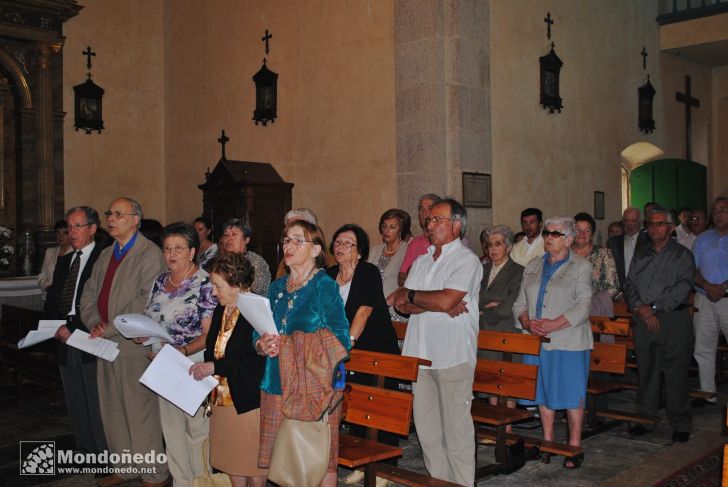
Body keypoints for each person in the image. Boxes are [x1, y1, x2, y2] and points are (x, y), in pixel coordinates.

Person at [389, 198, 481, 487]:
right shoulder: (421, 260)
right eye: (428, 220)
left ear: (456, 225)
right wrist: (434, 301)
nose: (429, 224)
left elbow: (439, 299)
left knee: (456, 433)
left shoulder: (466, 260)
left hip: (452, 355)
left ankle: (464, 483)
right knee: (428, 433)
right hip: (420, 354)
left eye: (437, 219)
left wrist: (418, 296)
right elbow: (401, 305)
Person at [81, 197, 169, 487]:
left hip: (133, 345)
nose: (111, 218)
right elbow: (89, 293)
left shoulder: (149, 253)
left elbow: (144, 299)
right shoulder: (107, 254)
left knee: (140, 410)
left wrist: (107, 328)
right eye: (109, 213)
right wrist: (94, 322)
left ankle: (154, 474)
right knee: (113, 408)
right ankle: (126, 466)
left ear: (135, 220)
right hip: (104, 343)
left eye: (119, 214)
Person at [255, 220, 350, 487]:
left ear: (316, 249)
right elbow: (259, 329)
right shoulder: (276, 288)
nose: (289, 245)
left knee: (319, 461)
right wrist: (261, 345)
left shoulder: (324, 286)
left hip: (314, 385)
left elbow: (341, 337)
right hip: (275, 382)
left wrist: (291, 344)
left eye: (299, 240)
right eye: (286, 240)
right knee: (284, 462)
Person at [513, 216, 592, 469]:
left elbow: (583, 305)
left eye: (555, 234)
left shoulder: (580, 266)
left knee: (571, 395)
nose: (548, 237)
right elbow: (519, 303)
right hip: (536, 339)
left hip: (568, 340)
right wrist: (526, 321)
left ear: (569, 239)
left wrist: (553, 324)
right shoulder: (533, 265)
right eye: (546, 233)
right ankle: (548, 441)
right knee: (542, 392)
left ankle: (574, 446)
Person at [143, 222, 217, 485]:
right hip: (163, 363)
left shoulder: (205, 283)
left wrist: (183, 351)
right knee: (171, 431)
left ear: (192, 252)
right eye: (167, 248)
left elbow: (210, 333)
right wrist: (144, 335)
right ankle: (181, 482)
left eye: (178, 248)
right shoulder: (161, 281)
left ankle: (200, 482)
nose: (171, 254)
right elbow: (151, 318)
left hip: (192, 362)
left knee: (197, 430)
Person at [328, 224, 400, 486]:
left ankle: (384, 468)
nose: (340, 247)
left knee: (380, 405)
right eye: (338, 241)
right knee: (355, 403)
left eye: (348, 243)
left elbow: (364, 310)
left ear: (360, 252)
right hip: (345, 351)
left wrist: (348, 343)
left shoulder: (368, 272)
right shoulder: (329, 274)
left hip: (375, 347)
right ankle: (362, 462)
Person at [189, 253, 267, 487]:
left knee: (251, 465)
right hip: (221, 397)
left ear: (237, 283)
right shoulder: (220, 310)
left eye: (217, 285)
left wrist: (215, 366)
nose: (213, 292)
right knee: (232, 462)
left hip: (246, 399)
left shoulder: (255, 311)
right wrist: (205, 367)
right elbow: (213, 350)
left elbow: (255, 362)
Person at [623, 207, 694, 442]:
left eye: (659, 223)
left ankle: (680, 422)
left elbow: (683, 287)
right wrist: (641, 309)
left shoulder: (682, 255)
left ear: (671, 228)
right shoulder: (641, 254)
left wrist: (653, 308)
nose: (654, 228)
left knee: (676, 372)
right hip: (643, 320)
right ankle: (645, 417)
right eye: (651, 224)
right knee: (647, 370)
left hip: (673, 319)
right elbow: (629, 284)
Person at [45, 207, 107, 458]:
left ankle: (102, 451)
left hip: (87, 332)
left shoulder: (102, 258)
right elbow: (54, 299)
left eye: (77, 226)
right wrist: (50, 327)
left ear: (92, 229)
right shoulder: (65, 260)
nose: (71, 232)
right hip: (63, 333)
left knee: (94, 396)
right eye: (69, 227)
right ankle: (84, 446)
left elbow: (103, 299)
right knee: (74, 394)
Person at [478, 225, 524, 421]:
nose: (493, 249)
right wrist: (487, 305)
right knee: (489, 381)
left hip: (506, 332)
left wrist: (483, 310)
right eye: (490, 245)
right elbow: (472, 299)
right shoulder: (482, 269)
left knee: (507, 382)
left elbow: (509, 305)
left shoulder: (518, 271)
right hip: (484, 332)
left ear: (509, 246)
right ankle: (495, 425)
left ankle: (507, 428)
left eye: (498, 244)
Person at [691, 197, 728, 407]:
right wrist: (708, 286)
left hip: (727, 299)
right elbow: (692, 269)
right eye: (715, 211)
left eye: (724, 210)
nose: (719, 214)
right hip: (704, 298)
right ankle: (707, 393)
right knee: (703, 348)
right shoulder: (703, 239)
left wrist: (723, 287)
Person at [368, 209, 411, 321]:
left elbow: (408, 284)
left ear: (401, 230)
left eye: (392, 227)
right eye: (384, 226)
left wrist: (384, 305)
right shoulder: (374, 250)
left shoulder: (408, 250)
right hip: (370, 309)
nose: (386, 230)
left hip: (394, 312)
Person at [572, 212, 619, 315]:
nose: (582, 234)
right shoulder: (566, 254)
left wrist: (590, 302)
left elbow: (613, 288)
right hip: (568, 308)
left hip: (595, 310)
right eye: (578, 230)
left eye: (587, 231)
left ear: (592, 233)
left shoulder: (603, 253)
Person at [398, 193, 441, 286]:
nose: (424, 213)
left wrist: (413, 275)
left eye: (429, 208)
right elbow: (401, 279)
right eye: (421, 209)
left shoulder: (447, 241)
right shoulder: (415, 243)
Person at [220, 218, 271, 296]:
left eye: (234, 234)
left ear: (246, 239)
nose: (228, 239)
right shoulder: (220, 261)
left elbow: (256, 295)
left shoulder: (256, 263)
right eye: (226, 235)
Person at [606, 207, 650, 290]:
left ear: (640, 222)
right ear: (622, 222)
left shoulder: (649, 241)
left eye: (633, 221)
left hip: (642, 290)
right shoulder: (613, 243)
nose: (629, 224)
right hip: (620, 291)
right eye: (626, 220)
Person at [38, 219, 72, 295]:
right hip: (50, 296)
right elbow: (42, 275)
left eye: (65, 233)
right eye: (58, 233)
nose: (61, 236)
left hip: (67, 297)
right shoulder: (49, 252)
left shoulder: (75, 253)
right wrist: (47, 287)